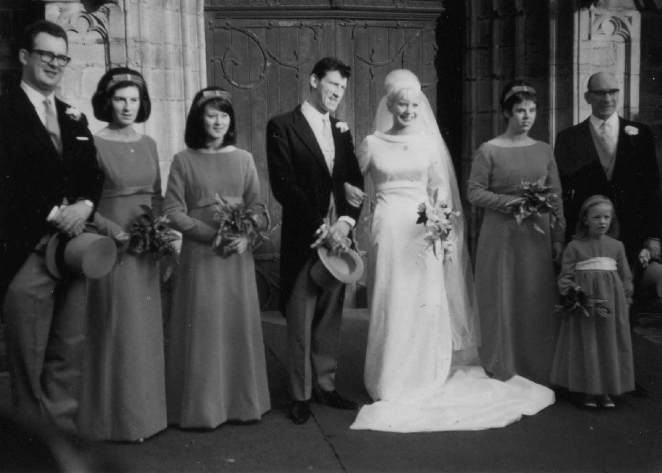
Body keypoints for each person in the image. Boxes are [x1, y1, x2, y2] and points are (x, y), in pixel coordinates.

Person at [350, 69, 554, 433]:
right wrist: (352, 222)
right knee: (389, 300)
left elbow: (441, 193)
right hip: (386, 230)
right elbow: (350, 188)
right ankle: (387, 378)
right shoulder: (371, 143)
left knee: (422, 301)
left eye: (414, 104)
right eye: (401, 105)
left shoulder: (429, 144)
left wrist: (441, 226)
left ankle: (424, 373)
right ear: (389, 105)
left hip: (422, 231)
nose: (408, 111)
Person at [0, 20, 104, 434]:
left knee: (68, 351)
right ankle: (32, 453)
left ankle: (61, 443)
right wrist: (53, 214)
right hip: (26, 249)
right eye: (46, 54)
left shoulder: (73, 116)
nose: (54, 63)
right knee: (28, 359)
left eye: (61, 56)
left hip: (73, 250)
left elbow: (92, 174)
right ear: (25, 56)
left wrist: (84, 205)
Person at [163, 86, 270, 429]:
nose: (219, 121)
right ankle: (204, 408)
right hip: (202, 256)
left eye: (224, 114)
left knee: (235, 323)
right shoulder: (184, 160)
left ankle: (241, 403)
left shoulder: (244, 159)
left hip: (236, 257)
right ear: (199, 118)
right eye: (211, 114)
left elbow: (258, 206)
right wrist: (211, 234)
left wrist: (247, 233)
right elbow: (172, 211)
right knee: (205, 326)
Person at [266, 57, 365, 425]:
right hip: (305, 238)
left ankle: (326, 384)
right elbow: (284, 185)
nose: (337, 93)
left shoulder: (341, 130)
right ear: (313, 81)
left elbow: (353, 182)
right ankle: (300, 394)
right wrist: (318, 227)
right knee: (301, 316)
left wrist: (343, 223)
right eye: (331, 85)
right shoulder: (281, 126)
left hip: (338, 240)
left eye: (342, 88)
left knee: (329, 316)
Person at [76, 68, 167, 441]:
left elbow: (158, 196)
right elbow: (82, 203)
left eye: (133, 99)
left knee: (145, 332)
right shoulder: (92, 144)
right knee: (114, 328)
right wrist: (114, 233)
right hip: (112, 246)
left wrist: (158, 236)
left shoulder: (149, 144)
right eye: (119, 99)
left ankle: (147, 418)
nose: (127, 107)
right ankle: (113, 421)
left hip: (146, 248)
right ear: (106, 101)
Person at [468, 80, 565, 385]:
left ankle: (537, 364)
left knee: (534, 294)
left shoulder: (544, 149)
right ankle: (501, 361)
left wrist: (559, 236)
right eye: (520, 110)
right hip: (501, 233)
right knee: (502, 294)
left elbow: (556, 195)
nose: (527, 116)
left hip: (536, 234)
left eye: (532, 110)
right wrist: (509, 202)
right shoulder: (489, 150)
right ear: (507, 113)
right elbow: (474, 193)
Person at [555, 72, 662, 268]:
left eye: (613, 92)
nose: (607, 99)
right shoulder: (568, 138)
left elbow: (652, 188)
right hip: (587, 236)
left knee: (632, 294)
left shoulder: (641, 134)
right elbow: (560, 193)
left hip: (633, 233)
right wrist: (561, 238)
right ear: (587, 97)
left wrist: (653, 236)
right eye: (600, 93)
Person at [551, 195, 634, 409]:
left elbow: (625, 277)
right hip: (585, 305)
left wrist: (625, 299)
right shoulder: (575, 247)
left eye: (607, 217)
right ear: (585, 219)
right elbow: (565, 277)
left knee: (608, 344)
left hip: (611, 305)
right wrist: (573, 293)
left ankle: (606, 391)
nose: (602, 222)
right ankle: (589, 391)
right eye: (597, 217)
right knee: (588, 344)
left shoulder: (616, 246)